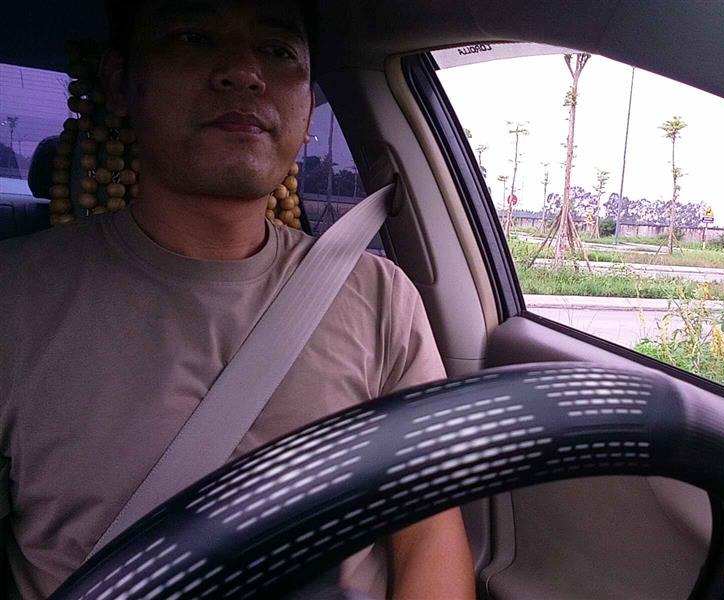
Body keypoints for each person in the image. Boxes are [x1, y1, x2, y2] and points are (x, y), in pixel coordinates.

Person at [0, 1, 474, 598]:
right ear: (120, 84)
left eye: (278, 51)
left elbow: (427, 532)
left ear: (307, 110)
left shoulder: (380, 297)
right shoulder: (14, 298)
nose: (244, 72)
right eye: (193, 36)